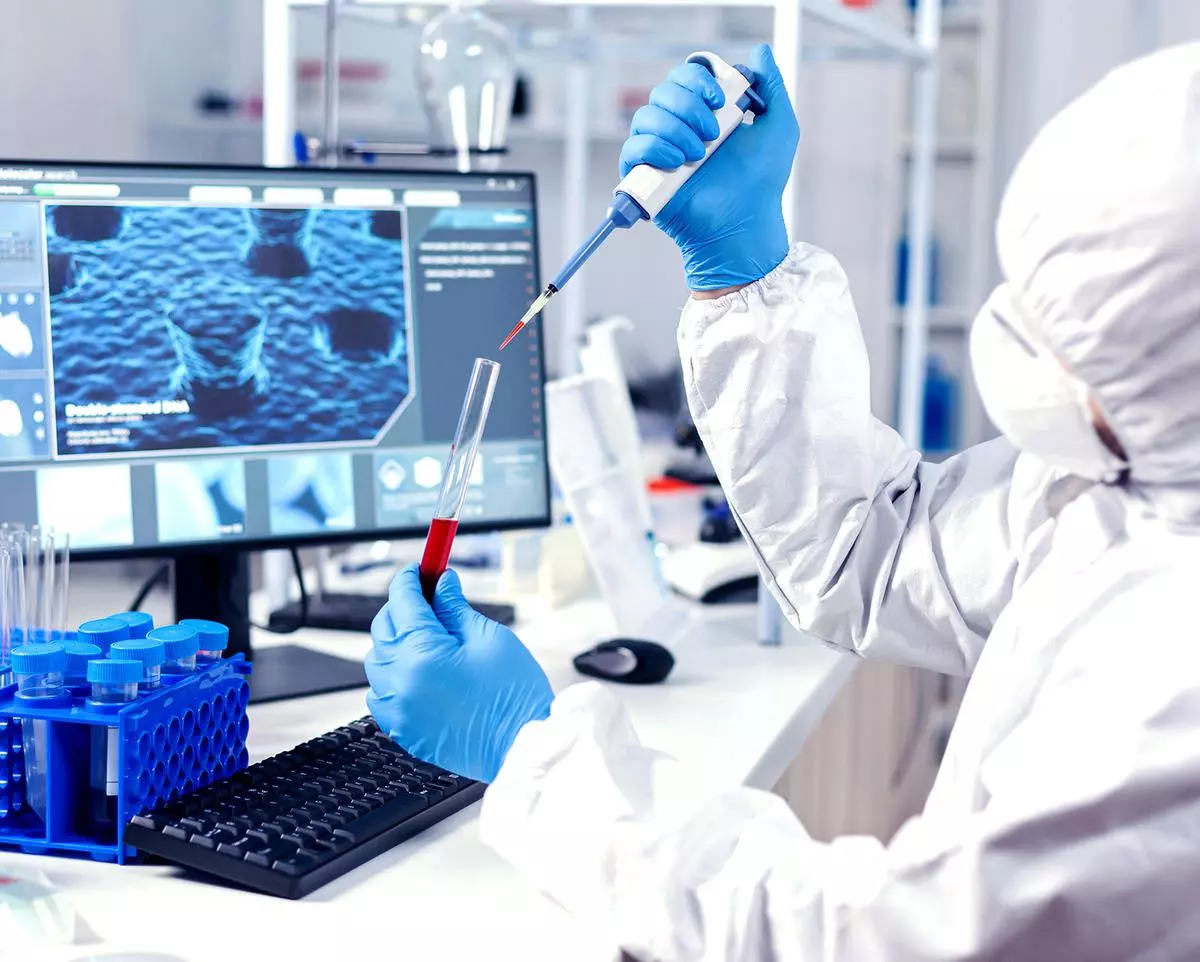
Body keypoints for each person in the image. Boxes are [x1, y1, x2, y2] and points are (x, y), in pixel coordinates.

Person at [367, 42, 1200, 960]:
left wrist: (535, 759)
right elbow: (879, 552)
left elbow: (865, 942)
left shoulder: (1178, 681)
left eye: (1073, 347)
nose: (1015, 345)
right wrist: (743, 271)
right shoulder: (1147, 478)